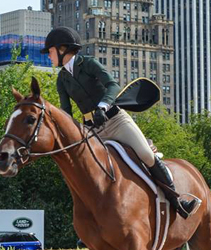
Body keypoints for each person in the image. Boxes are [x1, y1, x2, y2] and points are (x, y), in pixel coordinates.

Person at [41, 26, 199, 218]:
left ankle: (178, 201)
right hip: (92, 131)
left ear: (62, 49)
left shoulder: (88, 63)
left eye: (50, 51)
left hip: (115, 120)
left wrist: (102, 106)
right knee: (88, 172)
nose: (48, 56)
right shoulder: (62, 79)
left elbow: (112, 85)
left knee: (146, 155)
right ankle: (93, 222)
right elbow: (66, 112)